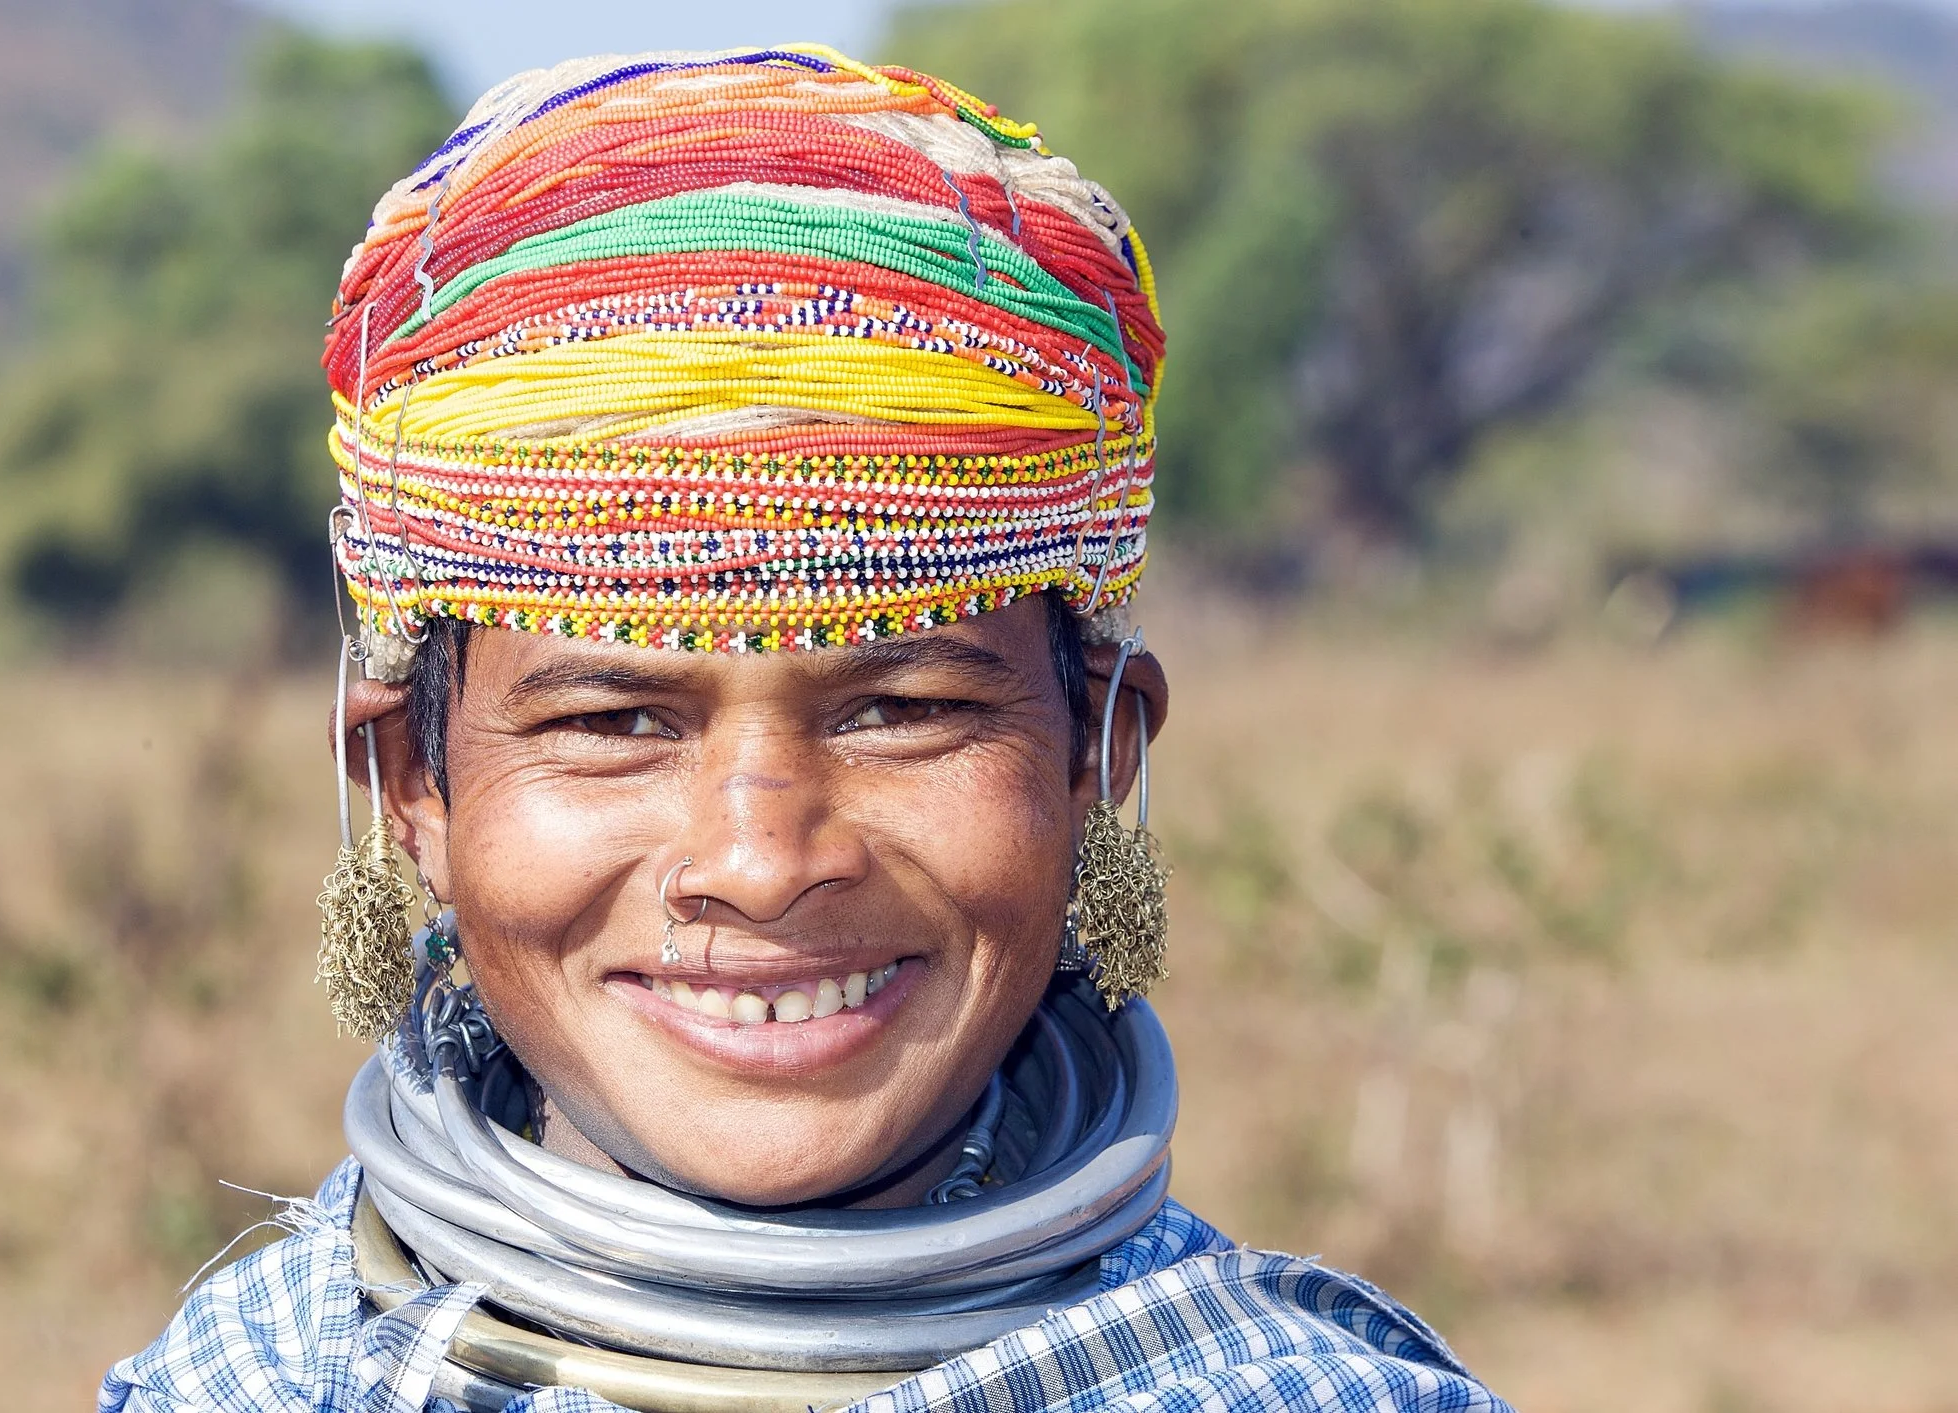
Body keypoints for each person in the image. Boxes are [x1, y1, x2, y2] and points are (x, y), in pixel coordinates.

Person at [100, 46, 1508, 1413]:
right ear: (413, 784)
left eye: (902, 710)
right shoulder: (266, 1384)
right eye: (615, 720)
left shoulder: (1297, 1396)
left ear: (1097, 758)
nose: (760, 862)